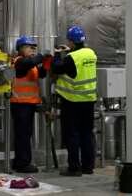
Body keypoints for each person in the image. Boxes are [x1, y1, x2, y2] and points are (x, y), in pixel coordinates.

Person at [52, 25, 98, 177]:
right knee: (87, 133)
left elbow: (57, 68)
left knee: (72, 134)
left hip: (72, 101)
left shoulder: (71, 58)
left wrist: (57, 55)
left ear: (71, 42)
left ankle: (74, 168)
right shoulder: (91, 53)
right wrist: (69, 51)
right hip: (89, 100)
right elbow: (79, 63)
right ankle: (88, 167)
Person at [11, 35, 47, 174]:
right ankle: (23, 163)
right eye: (29, 47)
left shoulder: (31, 64)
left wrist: (47, 61)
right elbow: (27, 65)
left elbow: (41, 74)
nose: (32, 50)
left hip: (28, 104)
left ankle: (21, 160)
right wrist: (41, 56)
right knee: (23, 135)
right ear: (20, 49)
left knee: (25, 134)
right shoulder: (19, 61)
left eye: (34, 48)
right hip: (20, 104)